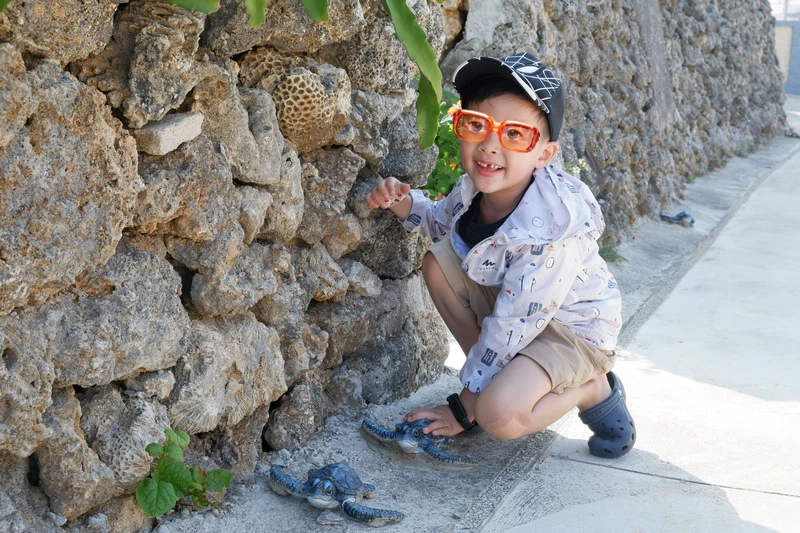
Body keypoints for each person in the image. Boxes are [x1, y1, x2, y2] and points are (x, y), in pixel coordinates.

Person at [364, 52, 635, 458]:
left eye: (515, 134)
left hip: (572, 333)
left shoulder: (548, 230)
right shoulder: (474, 191)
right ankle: (492, 380)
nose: (490, 146)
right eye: (477, 125)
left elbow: (513, 322)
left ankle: (591, 387)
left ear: (544, 154)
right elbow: (440, 224)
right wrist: (400, 202)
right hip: (521, 313)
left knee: (499, 417)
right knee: (439, 263)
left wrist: (463, 409)